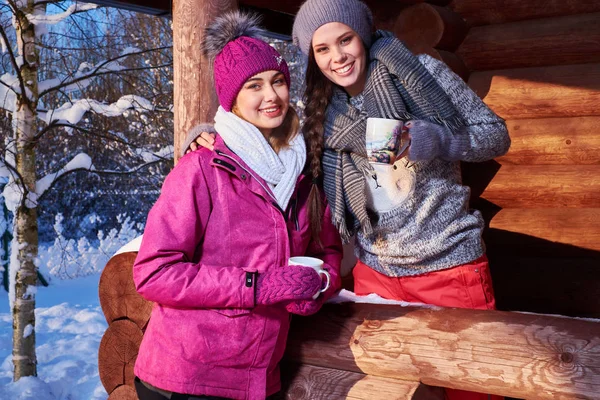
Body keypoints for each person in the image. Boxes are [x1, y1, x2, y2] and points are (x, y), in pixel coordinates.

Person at [191, 1, 510, 399]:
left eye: (345, 40)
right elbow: (271, 147)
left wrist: (434, 139)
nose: (337, 57)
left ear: (363, 35)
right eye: (322, 49)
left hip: (448, 268)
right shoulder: (324, 109)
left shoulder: (421, 73)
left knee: (475, 392)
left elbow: (495, 134)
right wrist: (213, 137)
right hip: (375, 274)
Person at [133, 11, 342, 400]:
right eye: (254, 86)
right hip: (187, 378)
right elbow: (154, 272)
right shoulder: (202, 168)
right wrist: (257, 285)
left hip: (260, 378)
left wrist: (320, 284)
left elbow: (328, 252)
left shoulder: (304, 171)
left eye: (278, 81)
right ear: (232, 97)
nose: (271, 96)